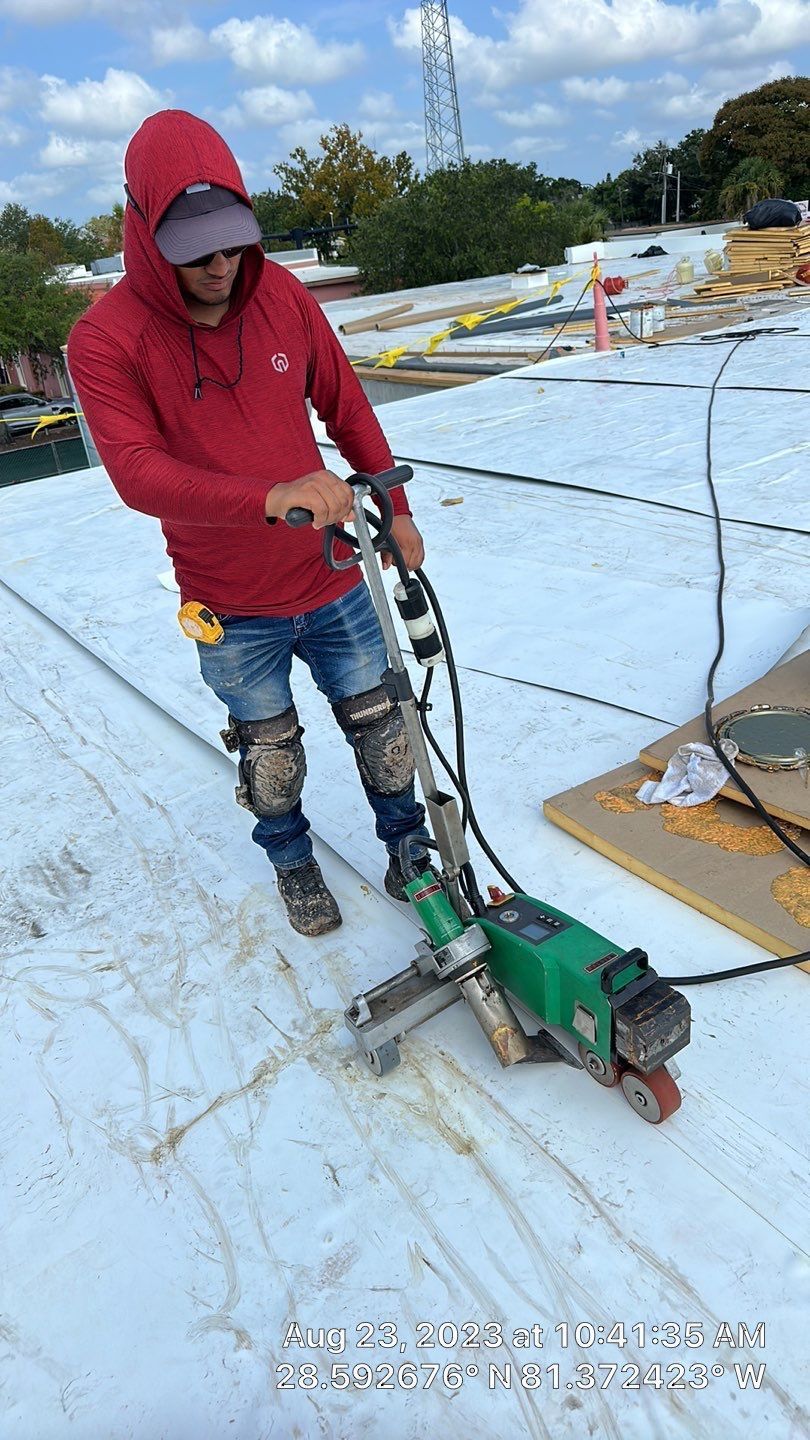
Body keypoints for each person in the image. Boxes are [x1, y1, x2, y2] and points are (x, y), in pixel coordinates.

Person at [68, 109, 429, 938]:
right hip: (230, 605)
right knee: (271, 750)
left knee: (381, 723)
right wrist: (270, 496)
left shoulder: (284, 298)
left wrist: (396, 509)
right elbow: (137, 474)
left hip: (331, 578)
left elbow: (345, 405)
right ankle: (292, 861)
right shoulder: (106, 340)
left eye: (234, 244)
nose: (222, 267)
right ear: (143, 233)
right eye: (196, 254)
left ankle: (408, 845)